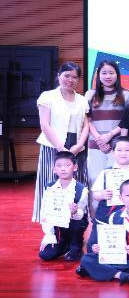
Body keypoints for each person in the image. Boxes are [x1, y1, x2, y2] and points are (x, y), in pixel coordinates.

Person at [33, 62, 90, 222]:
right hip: (53, 145)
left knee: (77, 183)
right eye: (66, 75)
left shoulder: (82, 100)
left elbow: (86, 125)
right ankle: (50, 226)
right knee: (50, 183)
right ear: (59, 76)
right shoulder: (47, 96)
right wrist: (60, 148)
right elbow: (45, 125)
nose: (70, 80)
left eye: (74, 77)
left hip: (76, 147)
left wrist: (80, 145)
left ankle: (76, 223)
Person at [77, 179, 129, 286]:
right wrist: (101, 248)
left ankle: (97, 270)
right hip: (118, 257)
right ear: (121, 198)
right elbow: (110, 241)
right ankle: (121, 275)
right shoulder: (114, 216)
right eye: (127, 195)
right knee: (87, 258)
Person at [85, 60, 129, 186]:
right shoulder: (90, 95)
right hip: (95, 145)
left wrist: (109, 136)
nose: (108, 76)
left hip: (117, 147)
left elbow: (126, 122)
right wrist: (99, 139)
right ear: (98, 75)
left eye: (111, 73)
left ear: (117, 75)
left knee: (116, 183)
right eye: (104, 73)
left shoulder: (127, 95)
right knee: (95, 182)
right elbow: (87, 120)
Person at [38, 152, 88, 261]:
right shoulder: (49, 188)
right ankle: (64, 243)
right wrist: (49, 236)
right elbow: (45, 213)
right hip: (57, 225)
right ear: (54, 169)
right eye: (59, 166)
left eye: (67, 165)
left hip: (74, 223)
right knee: (45, 255)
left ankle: (76, 245)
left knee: (78, 223)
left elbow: (82, 214)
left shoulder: (81, 189)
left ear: (75, 167)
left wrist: (75, 212)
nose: (63, 169)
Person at [90, 136, 129, 222]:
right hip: (106, 216)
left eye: (127, 150)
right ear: (113, 153)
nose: (123, 153)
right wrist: (102, 195)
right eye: (119, 150)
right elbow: (95, 194)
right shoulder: (105, 172)